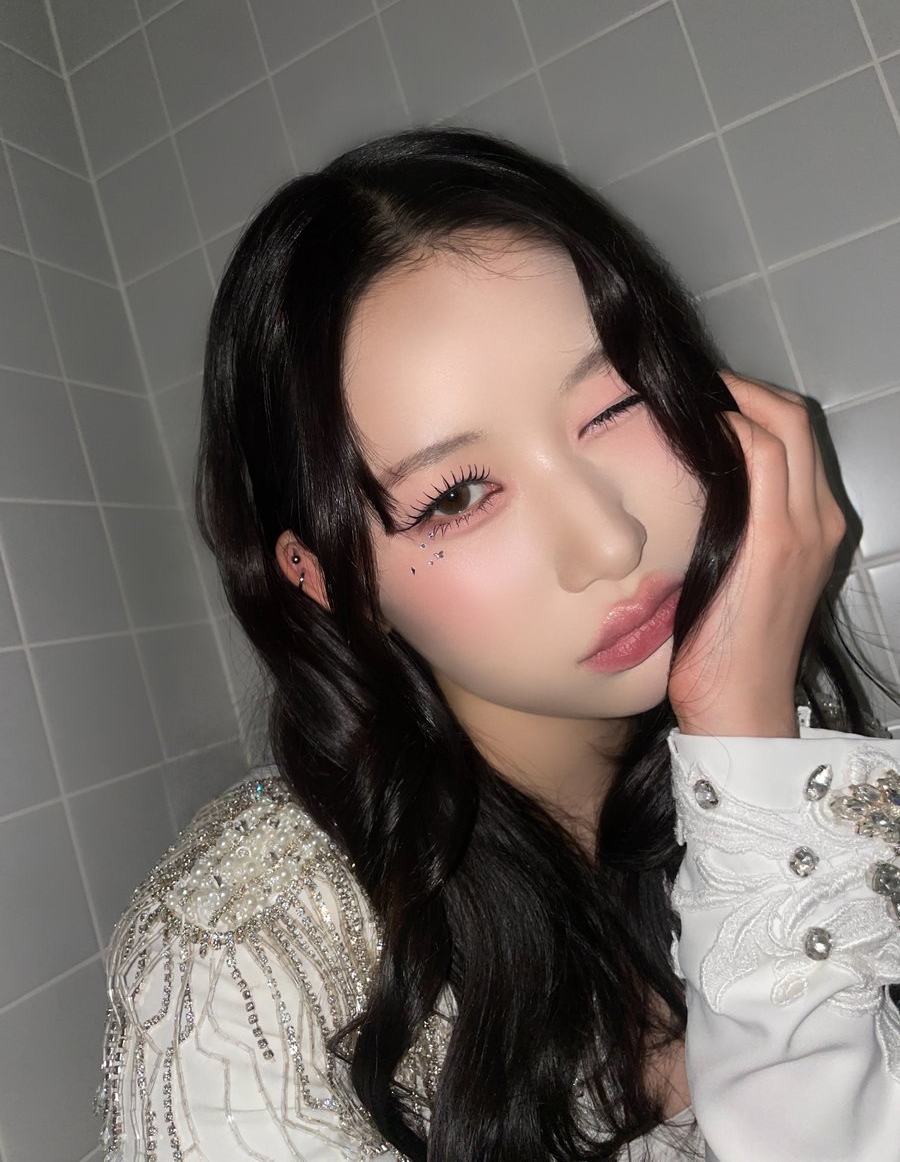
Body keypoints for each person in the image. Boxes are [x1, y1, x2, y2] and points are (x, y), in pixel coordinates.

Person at [95, 127, 900, 1162]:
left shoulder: (819, 792)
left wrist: (753, 761)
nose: (609, 541)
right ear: (328, 581)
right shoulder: (245, 957)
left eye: (616, 404)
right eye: (457, 496)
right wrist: (750, 756)